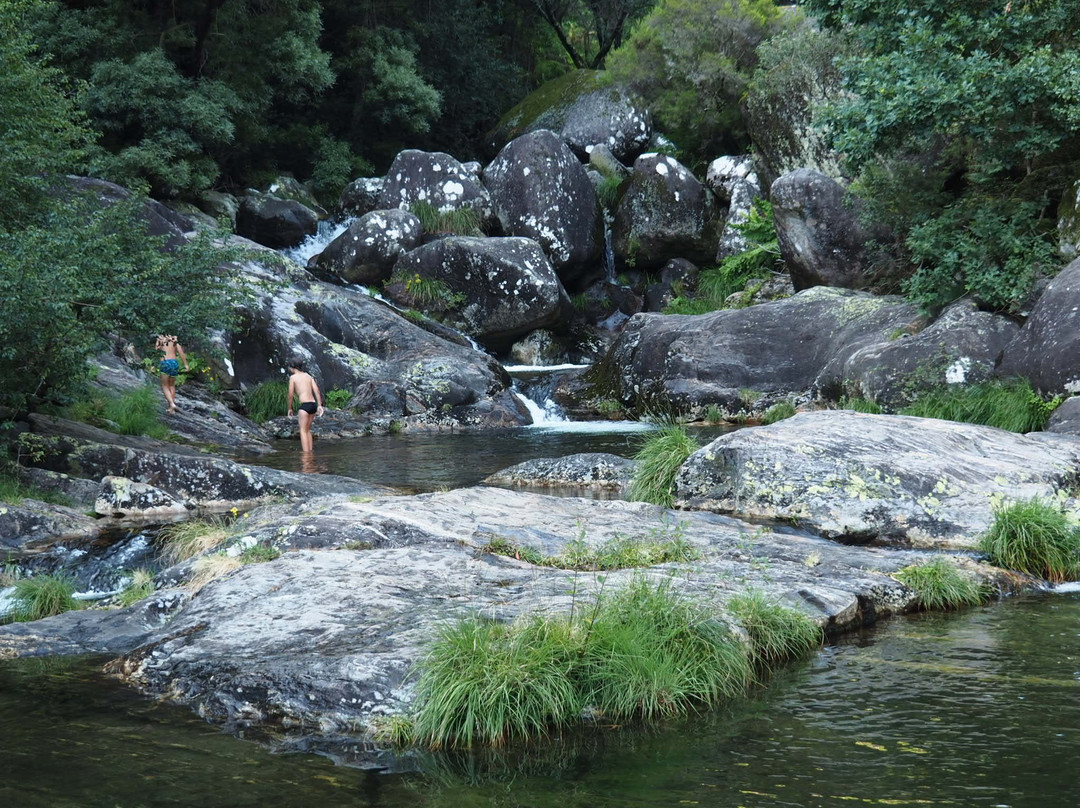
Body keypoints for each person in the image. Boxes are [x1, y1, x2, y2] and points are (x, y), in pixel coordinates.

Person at [287, 360, 324, 452]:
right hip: (312, 405)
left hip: (304, 406)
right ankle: (310, 452)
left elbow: (290, 395)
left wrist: (289, 408)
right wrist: (319, 405)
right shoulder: (308, 376)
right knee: (308, 430)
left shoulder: (293, 378)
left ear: (292, 367)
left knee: (303, 431)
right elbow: (317, 391)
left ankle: (306, 455)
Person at [155, 334, 189, 414]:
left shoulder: (161, 339)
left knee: (164, 385)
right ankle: (171, 409)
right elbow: (180, 352)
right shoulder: (174, 339)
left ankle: (172, 404)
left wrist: (158, 342)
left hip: (165, 362)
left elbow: (156, 350)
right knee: (172, 385)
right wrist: (186, 364)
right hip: (174, 363)